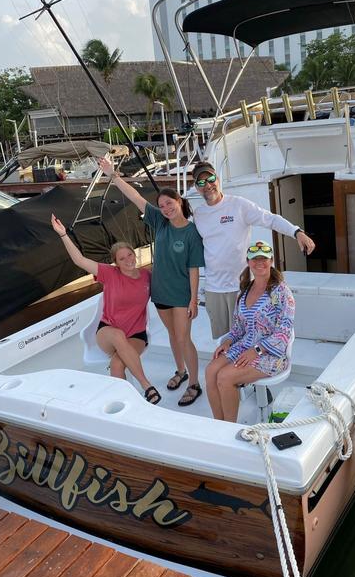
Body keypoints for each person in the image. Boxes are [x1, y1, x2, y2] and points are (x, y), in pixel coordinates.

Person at [98, 158, 205, 406]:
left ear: (180, 202)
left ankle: (194, 383)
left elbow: (193, 269)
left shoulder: (191, 232)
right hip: (160, 293)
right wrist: (113, 175)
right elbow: (135, 197)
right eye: (162, 205)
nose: (166, 208)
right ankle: (181, 371)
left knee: (183, 337)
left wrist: (193, 299)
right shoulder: (159, 221)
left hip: (180, 294)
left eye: (169, 203)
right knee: (171, 334)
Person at [191, 161, 314, 339]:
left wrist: (297, 232)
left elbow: (270, 219)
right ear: (196, 188)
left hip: (240, 288)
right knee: (221, 341)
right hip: (213, 289)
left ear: (217, 179)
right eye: (201, 183)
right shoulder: (198, 215)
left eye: (210, 179)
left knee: (244, 338)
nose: (207, 185)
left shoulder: (238, 205)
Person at [50, 214, 160, 404]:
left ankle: (126, 405)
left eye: (129, 255)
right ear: (116, 263)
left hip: (136, 335)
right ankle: (146, 385)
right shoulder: (109, 274)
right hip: (107, 333)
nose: (127, 260)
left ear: (135, 254)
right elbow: (79, 260)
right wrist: (63, 235)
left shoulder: (146, 276)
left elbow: (166, 288)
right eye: (121, 258)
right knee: (117, 336)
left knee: (117, 364)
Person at [205, 240, 295, 422]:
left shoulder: (282, 292)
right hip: (244, 347)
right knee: (210, 371)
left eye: (264, 258)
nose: (259, 262)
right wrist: (228, 341)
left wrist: (257, 351)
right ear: (248, 262)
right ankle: (218, 425)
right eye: (255, 259)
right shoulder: (245, 291)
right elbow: (238, 328)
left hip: (271, 354)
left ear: (271, 261)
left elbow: (284, 333)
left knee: (224, 376)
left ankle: (229, 428)